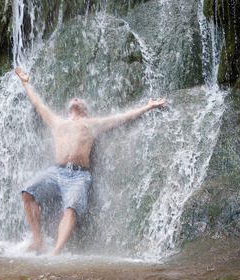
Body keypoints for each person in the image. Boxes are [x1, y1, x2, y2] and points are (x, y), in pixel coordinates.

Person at [15, 66, 166, 255]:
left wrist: (148, 106)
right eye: (74, 99)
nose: (76, 99)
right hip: (55, 172)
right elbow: (38, 105)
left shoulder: (91, 124)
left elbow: (121, 117)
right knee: (28, 191)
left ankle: (55, 252)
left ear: (85, 112)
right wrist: (26, 82)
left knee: (70, 208)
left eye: (81, 101)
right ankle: (38, 240)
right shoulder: (57, 122)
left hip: (78, 175)